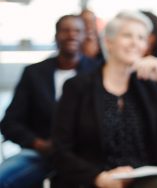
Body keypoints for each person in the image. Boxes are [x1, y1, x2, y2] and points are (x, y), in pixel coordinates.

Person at [52, 11, 157, 188]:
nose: (135, 43)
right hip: (94, 179)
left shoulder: (148, 86)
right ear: (108, 42)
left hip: (142, 180)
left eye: (141, 38)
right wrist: (97, 178)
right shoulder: (78, 87)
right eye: (128, 35)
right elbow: (60, 150)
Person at [0, 15, 100, 188]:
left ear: (85, 36)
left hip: (84, 158)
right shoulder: (34, 73)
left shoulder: (98, 72)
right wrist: (39, 144)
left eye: (77, 31)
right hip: (42, 153)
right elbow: (10, 122)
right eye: (65, 30)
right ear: (56, 35)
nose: (71, 35)